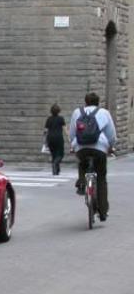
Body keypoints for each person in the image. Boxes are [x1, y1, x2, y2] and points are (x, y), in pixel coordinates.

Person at [69, 92, 117, 221]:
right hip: (100, 148)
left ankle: (81, 182)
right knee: (101, 177)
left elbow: (73, 133)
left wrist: (73, 146)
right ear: (98, 102)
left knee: (82, 162)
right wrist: (111, 146)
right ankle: (102, 211)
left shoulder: (76, 112)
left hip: (81, 147)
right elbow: (111, 134)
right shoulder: (104, 113)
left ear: (85, 102)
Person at [44, 104, 66, 175]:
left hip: (50, 138)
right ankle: (55, 164)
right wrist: (69, 137)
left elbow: (45, 130)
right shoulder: (61, 118)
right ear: (59, 111)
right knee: (61, 154)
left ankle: (56, 171)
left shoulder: (49, 119)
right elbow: (65, 129)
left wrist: (45, 139)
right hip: (58, 138)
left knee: (53, 154)